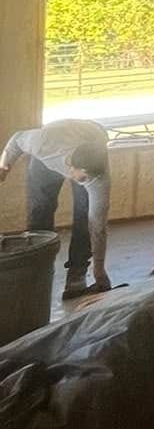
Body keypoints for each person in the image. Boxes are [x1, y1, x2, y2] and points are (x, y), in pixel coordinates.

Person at [0, 119, 112, 299]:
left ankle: (76, 278)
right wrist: (4, 167)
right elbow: (17, 139)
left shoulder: (98, 177)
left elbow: (97, 227)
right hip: (48, 156)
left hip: (86, 141)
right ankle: (36, 273)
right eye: (82, 178)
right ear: (71, 166)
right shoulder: (43, 143)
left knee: (86, 217)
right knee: (40, 210)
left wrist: (99, 270)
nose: (85, 181)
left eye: (88, 179)